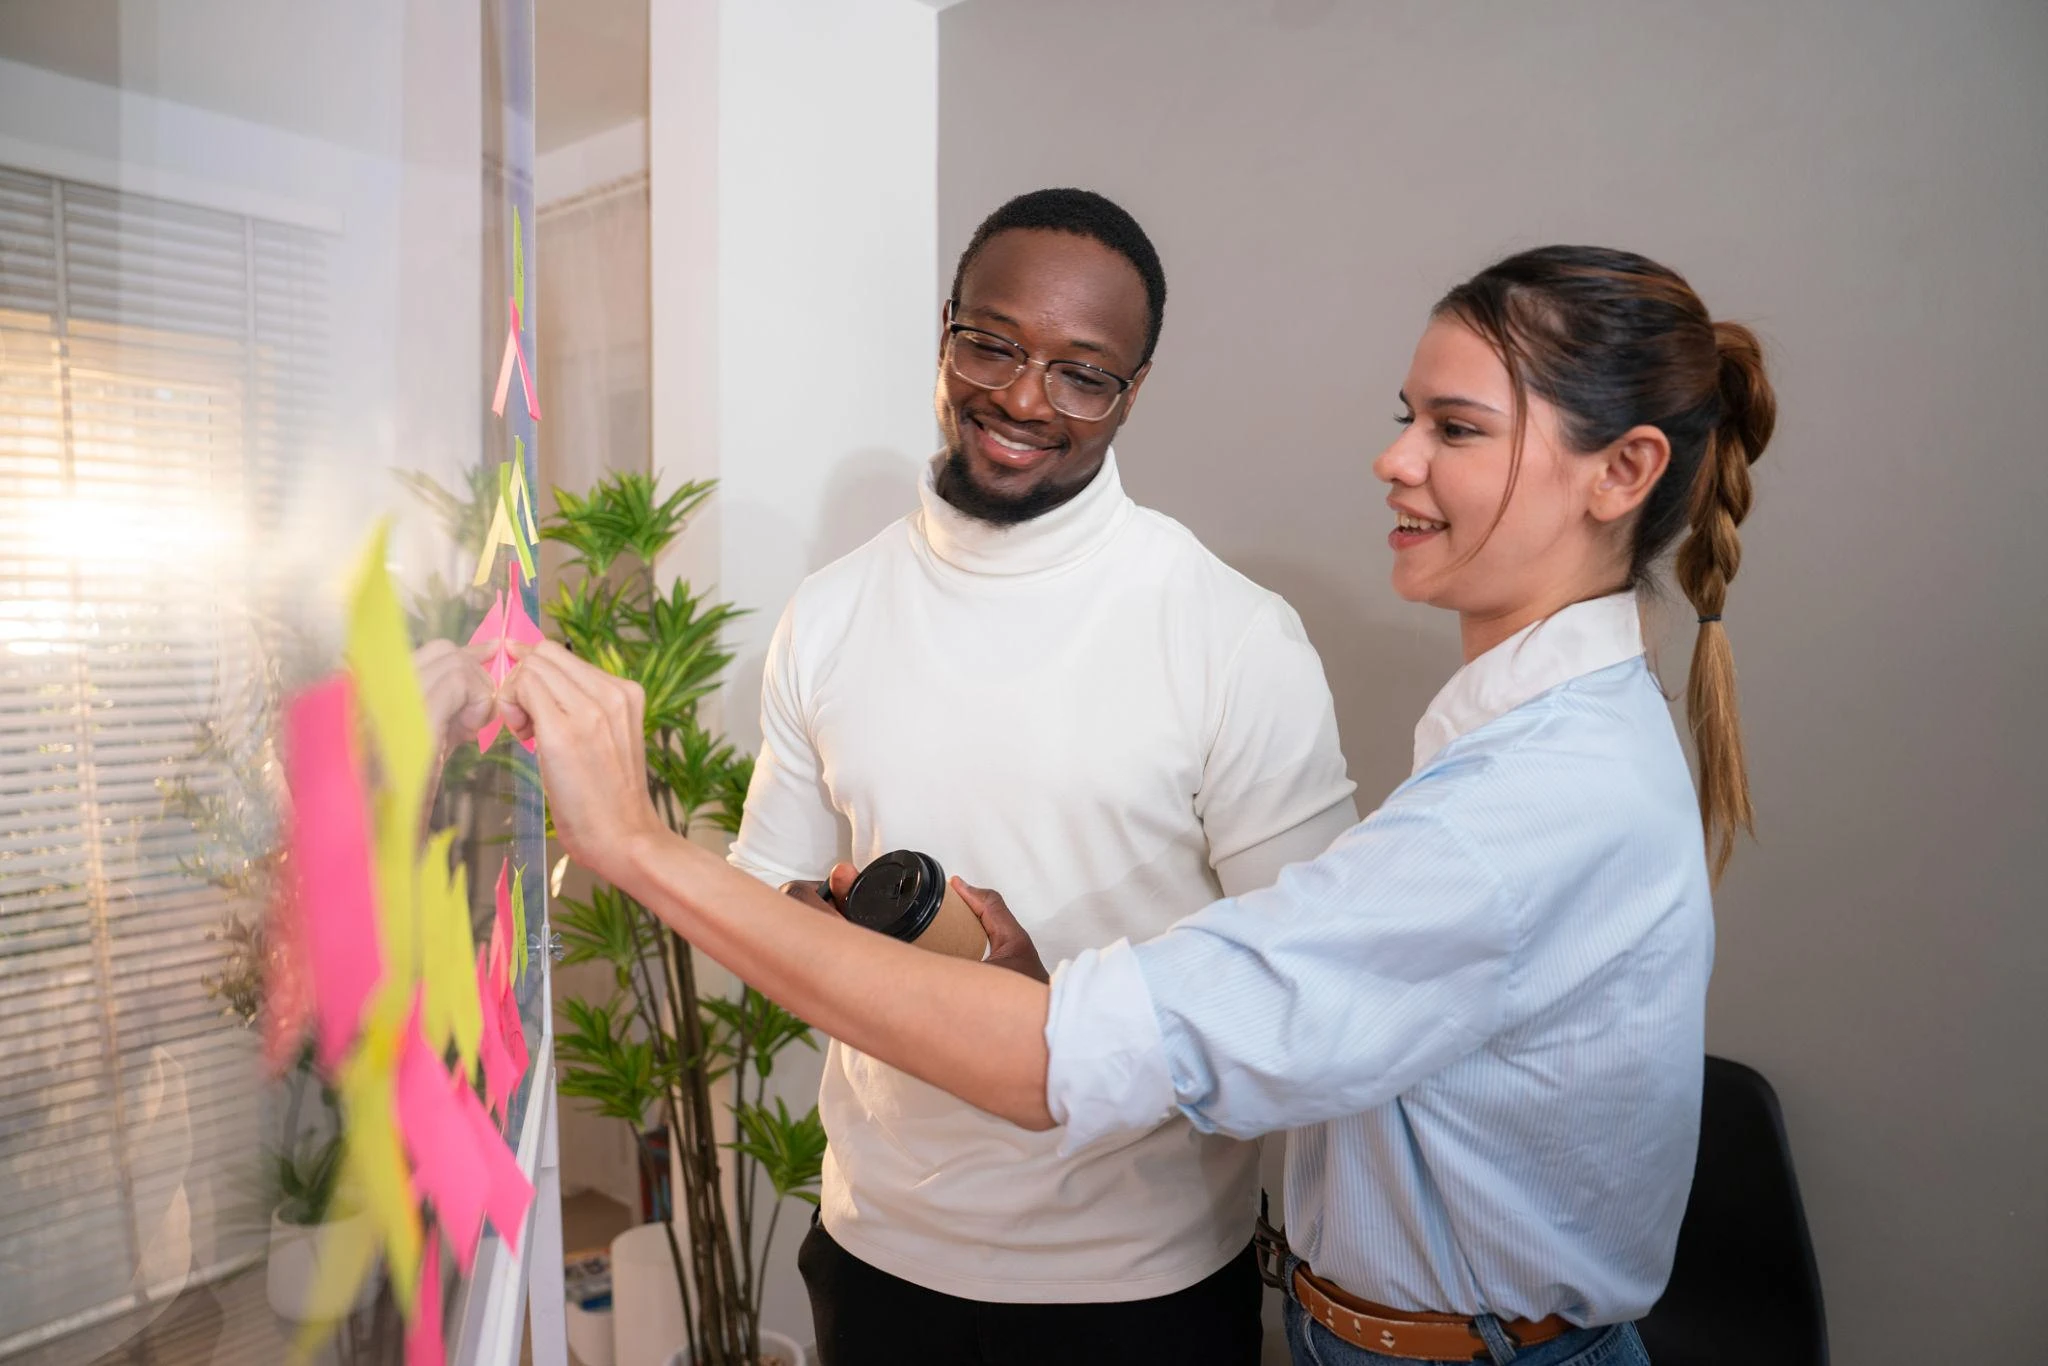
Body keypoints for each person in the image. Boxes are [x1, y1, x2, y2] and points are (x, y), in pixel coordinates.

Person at [502, 243, 1775, 1366]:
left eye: (1453, 428)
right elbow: (1303, 1014)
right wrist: (1019, 972)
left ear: (1622, 474)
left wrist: (631, 845)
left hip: (1171, 1287)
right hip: (888, 1244)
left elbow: (1094, 1056)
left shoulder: (1486, 782)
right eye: (989, 344)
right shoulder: (1511, 751)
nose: (1390, 457)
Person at [719, 187, 1357, 1364]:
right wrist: (832, 935)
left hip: (1141, 1287)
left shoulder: (1227, 632)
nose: (1020, 397)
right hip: (875, 1256)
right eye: (992, 344)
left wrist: (1050, 1006)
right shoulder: (831, 612)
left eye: (1081, 372)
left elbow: (1307, 1000)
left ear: (1132, 392)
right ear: (946, 331)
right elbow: (767, 904)